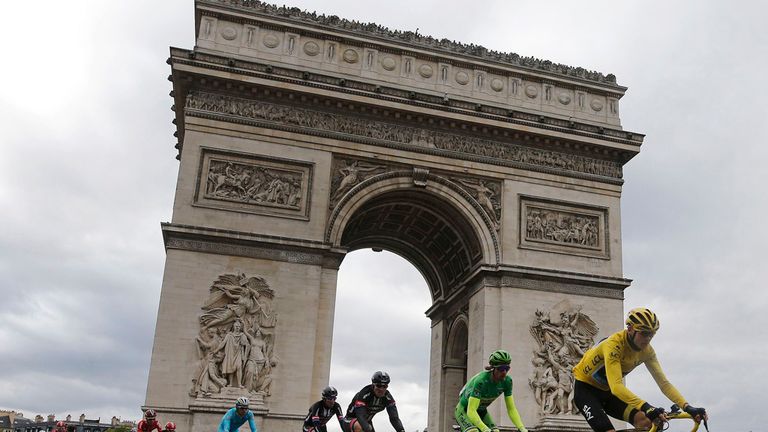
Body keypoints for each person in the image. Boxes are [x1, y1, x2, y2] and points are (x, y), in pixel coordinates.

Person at [572, 308, 708, 432]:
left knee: (648, 422)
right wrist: (647, 407)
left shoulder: (647, 352)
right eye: (644, 333)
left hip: (608, 395)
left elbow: (664, 384)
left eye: (651, 334)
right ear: (630, 329)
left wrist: (687, 407)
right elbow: (616, 387)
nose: (648, 339)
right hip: (586, 391)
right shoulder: (613, 344)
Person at [455, 350, 528, 432]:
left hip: (482, 411)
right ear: (494, 368)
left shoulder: (507, 381)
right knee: (474, 431)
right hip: (464, 410)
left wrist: (521, 428)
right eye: (501, 369)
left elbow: (511, 409)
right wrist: (484, 428)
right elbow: (471, 410)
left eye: (507, 368)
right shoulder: (481, 381)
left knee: (495, 431)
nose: (504, 372)